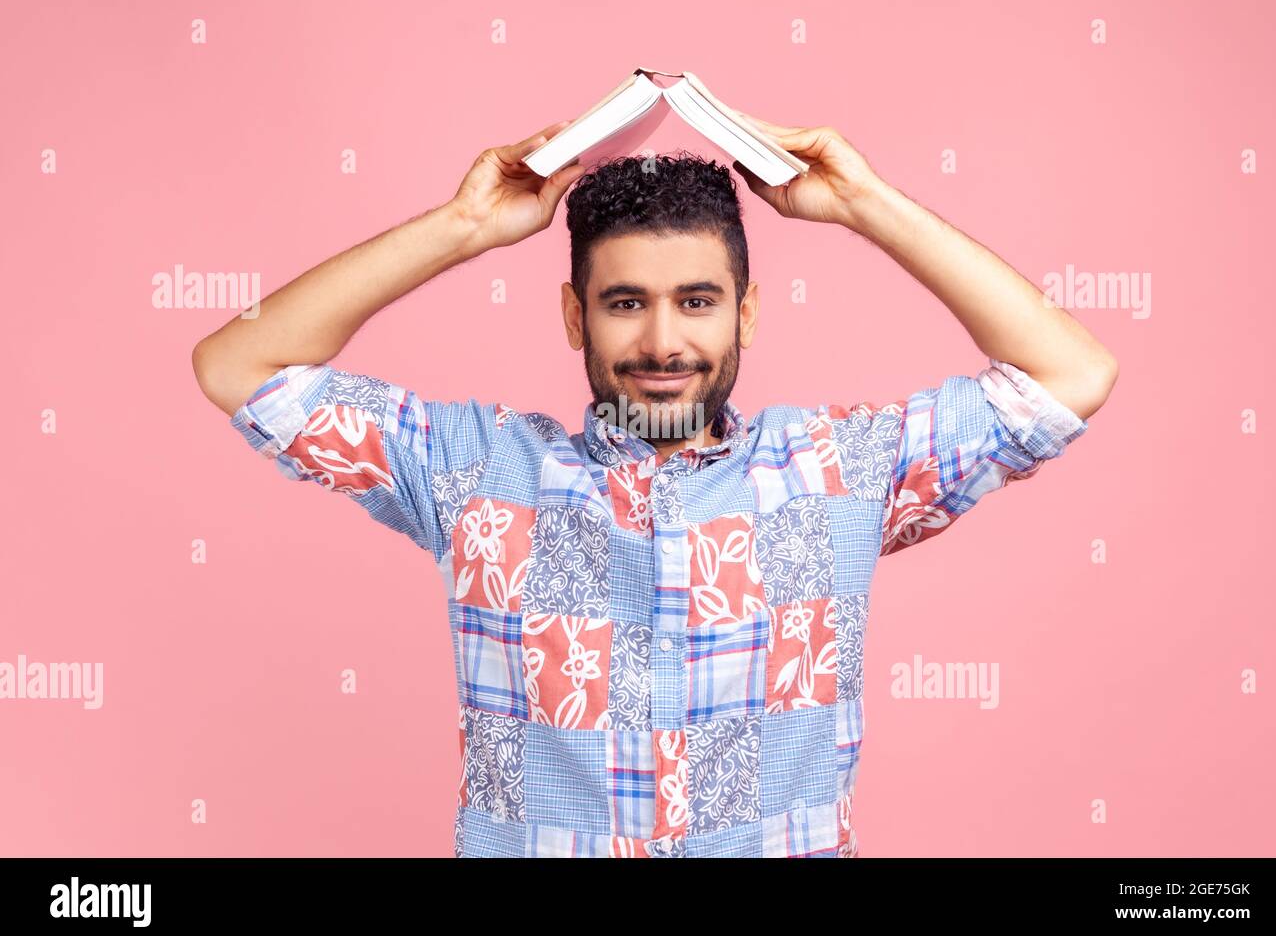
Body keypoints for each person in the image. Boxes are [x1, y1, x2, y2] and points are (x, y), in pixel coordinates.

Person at [192, 114, 1118, 858]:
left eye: (698, 300)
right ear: (575, 316)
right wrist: (463, 226)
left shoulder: (836, 472)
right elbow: (242, 365)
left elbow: (1069, 377)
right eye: (626, 302)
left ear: (746, 312)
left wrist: (864, 204)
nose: (664, 344)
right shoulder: (478, 473)